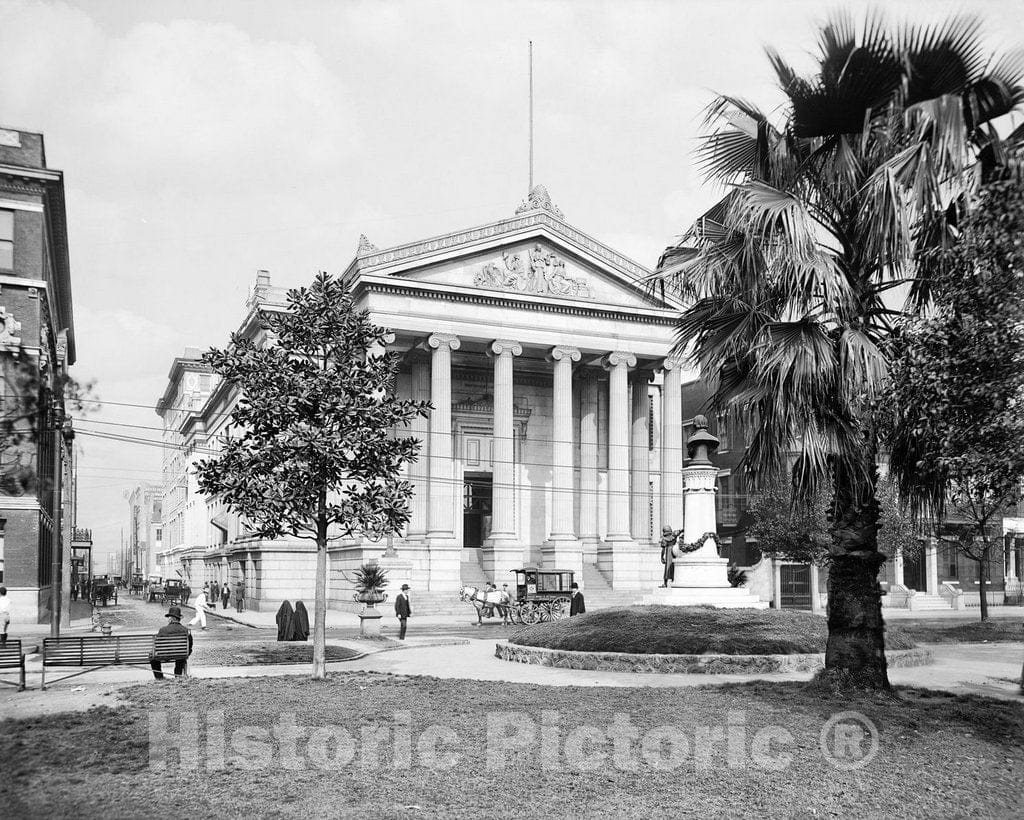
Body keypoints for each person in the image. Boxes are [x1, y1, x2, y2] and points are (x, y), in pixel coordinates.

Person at [151, 605, 193, 680]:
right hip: (181, 653)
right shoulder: (186, 630)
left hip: (165, 654)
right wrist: (187, 651)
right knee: (181, 655)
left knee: (153, 658)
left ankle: (159, 677)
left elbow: (157, 645)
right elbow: (190, 644)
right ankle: (178, 675)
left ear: (171, 618)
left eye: (168, 618)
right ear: (179, 619)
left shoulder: (163, 630)